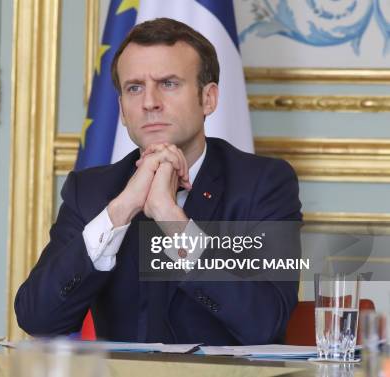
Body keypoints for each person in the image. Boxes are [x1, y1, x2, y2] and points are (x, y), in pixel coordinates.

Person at [15, 18, 302, 345]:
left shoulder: (263, 183)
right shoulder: (91, 190)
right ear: (122, 109)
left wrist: (170, 218)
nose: (149, 102)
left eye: (168, 83)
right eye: (134, 88)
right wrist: (119, 212)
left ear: (208, 99)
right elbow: (37, 318)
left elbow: (266, 322)